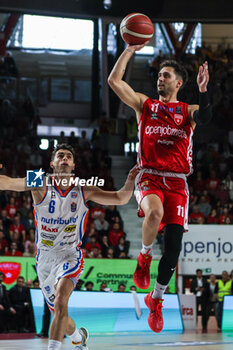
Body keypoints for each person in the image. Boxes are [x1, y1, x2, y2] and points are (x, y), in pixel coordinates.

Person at [108, 40, 211, 333]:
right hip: (149, 175)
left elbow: (206, 116)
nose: (160, 78)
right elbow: (114, 81)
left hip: (178, 183)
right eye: (159, 75)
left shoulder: (188, 110)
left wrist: (204, 91)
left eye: (166, 75)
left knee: (174, 250)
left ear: (178, 82)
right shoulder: (145, 105)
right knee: (153, 213)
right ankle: (143, 257)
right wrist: (130, 48)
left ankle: (156, 299)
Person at [0, 143, 138, 350]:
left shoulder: (84, 188)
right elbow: (8, 182)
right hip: (44, 258)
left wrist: (130, 181)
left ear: (73, 165)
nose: (64, 158)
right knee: (59, 311)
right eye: (60, 156)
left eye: (68, 156)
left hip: (70, 254)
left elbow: (120, 198)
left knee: (61, 300)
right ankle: (77, 337)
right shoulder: (39, 181)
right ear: (52, 163)